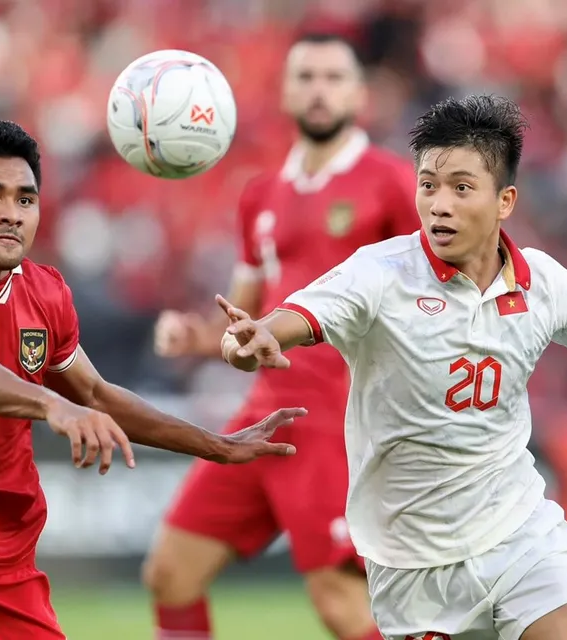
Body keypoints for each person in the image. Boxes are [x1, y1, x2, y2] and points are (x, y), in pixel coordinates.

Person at [216, 94, 567, 640]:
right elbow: (281, 321)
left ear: (505, 200)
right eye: (428, 185)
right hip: (411, 564)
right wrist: (252, 339)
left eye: (461, 188)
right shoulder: (379, 274)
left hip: (520, 537)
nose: (439, 204)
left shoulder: (545, 284)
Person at [0, 119, 304, 640]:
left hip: (1, 562)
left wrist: (218, 446)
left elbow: (95, 394)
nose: (11, 213)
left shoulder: (45, 294)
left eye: (26, 200)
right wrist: (51, 404)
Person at [143, 33, 414, 640]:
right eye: (306, 77)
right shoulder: (261, 196)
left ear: (360, 94)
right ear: (286, 92)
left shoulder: (393, 184)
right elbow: (244, 316)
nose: (319, 90)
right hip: (263, 418)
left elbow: (435, 295)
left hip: (336, 421)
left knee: (343, 606)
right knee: (171, 572)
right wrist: (196, 336)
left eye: (333, 77)